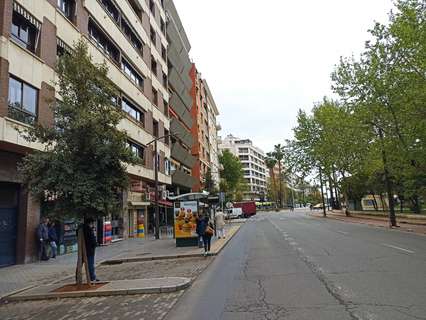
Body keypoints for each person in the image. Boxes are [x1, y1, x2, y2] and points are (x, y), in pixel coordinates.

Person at [83, 217, 98, 282]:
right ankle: (92, 277)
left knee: (83, 264)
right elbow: (92, 240)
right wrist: (95, 244)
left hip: (84, 249)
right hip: (89, 250)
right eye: (93, 223)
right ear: (90, 223)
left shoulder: (82, 229)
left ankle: (91, 277)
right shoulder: (89, 229)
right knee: (90, 264)